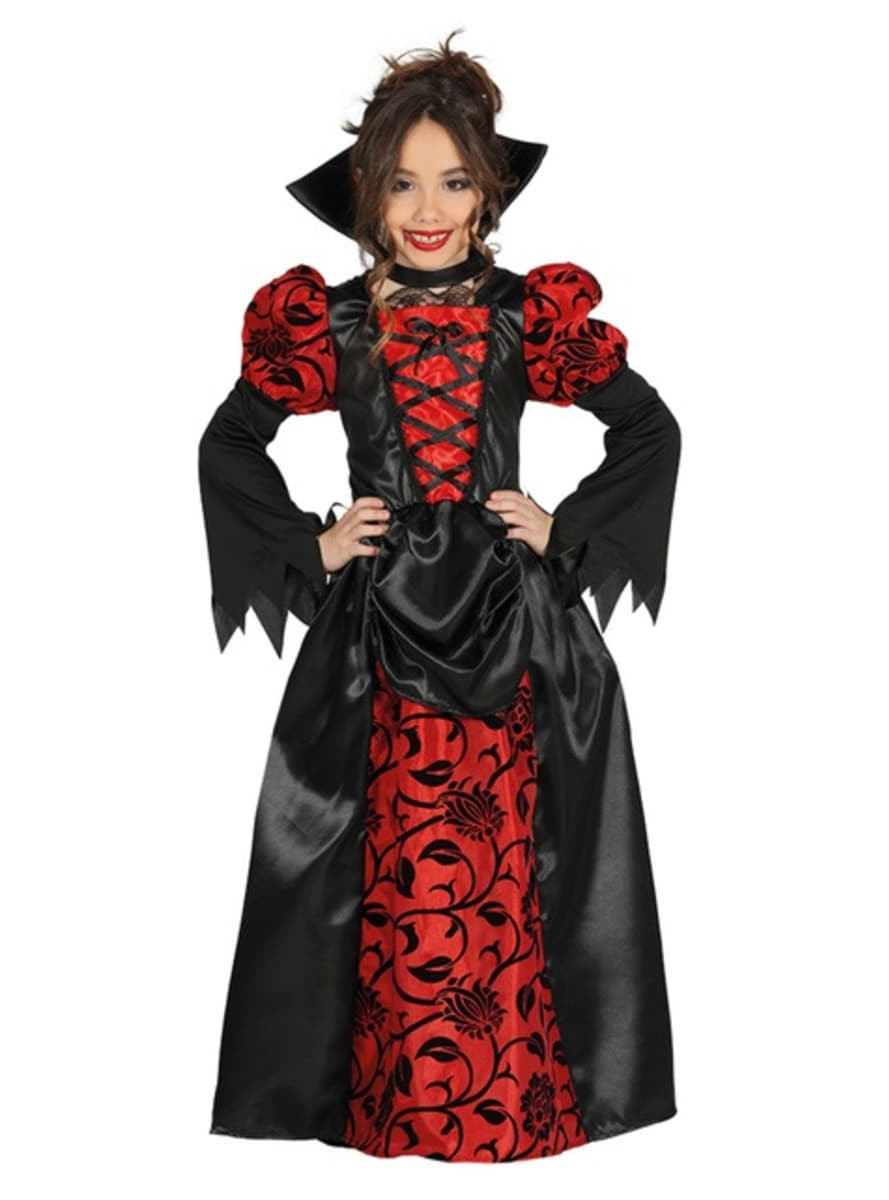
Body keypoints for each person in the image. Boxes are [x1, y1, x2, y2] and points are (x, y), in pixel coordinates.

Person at [199, 29, 681, 1164]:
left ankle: (505, 1103)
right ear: (367, 192)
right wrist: (314, 547)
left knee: (505, 864)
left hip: (514, 631)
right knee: (394, 869)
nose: (427, 209)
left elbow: (648, 428)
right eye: (402, 182)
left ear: (487, 192)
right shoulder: (332, 322)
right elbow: (228, 443)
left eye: (454, 182)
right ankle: (394, 1106)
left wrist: (565, 530)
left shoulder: (523, 316)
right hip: (376, 635)